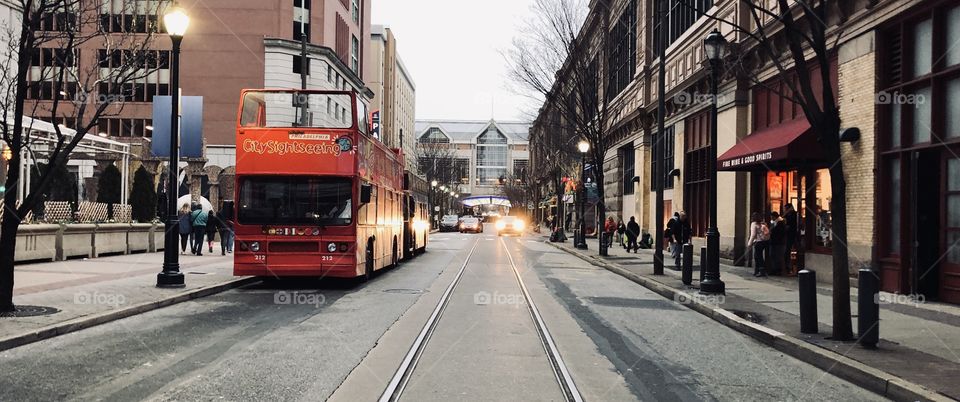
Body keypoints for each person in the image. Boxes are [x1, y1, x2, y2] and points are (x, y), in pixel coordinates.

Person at [747, 212, 770, 277]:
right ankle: (759, 270)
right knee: (759, 256)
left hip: (758, 242)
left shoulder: (753, 224)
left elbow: (753, 235)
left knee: (758, 257)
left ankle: (760, 271)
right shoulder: (763, 223)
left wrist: (749, 244)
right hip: (765, 241)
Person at [768, 211, 786, 275]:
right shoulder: (774, 223)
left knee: (778, 256)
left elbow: (779, 233)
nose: (771, 218)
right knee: (773, 256)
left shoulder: (780, 223)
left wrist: (771, 231)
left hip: (779, 243)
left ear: (774, 216)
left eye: (771, 217)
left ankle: (778, 270)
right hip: (774, 242)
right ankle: (774, 269)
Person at [783, 203, 798, 274]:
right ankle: (788, 266)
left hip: (793, 234)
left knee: (790, 250)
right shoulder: (787, 215)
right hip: (789, 235)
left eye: (786, 209)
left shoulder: (794, 215)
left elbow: (791, 225)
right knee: (788, 250)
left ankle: (791, 266)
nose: (785, 210)